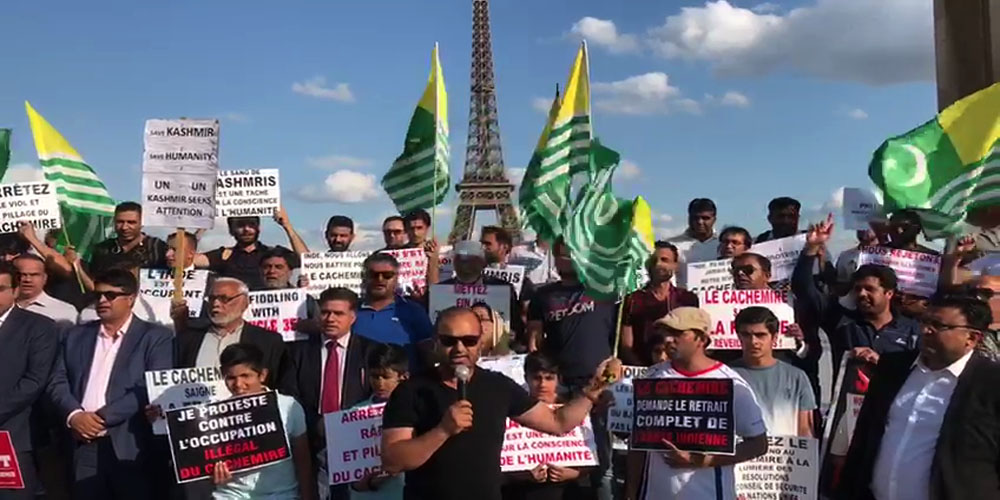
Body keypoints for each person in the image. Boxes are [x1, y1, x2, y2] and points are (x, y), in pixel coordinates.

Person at [380, 307, 621, 500]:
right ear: (435, 342)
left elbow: (557, 423)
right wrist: (442, 431)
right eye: (449, 341)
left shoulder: (497, 386)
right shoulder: (411, 391)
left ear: (481, 342)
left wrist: (594, 388)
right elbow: (392, 460)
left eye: (469, 340)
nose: (459, 348)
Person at [838, 295, 1000, 500]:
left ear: (972, 338)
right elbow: (863, 438)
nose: (925, 330)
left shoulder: (991, 384)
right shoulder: (893, 368)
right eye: (924, 322)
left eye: (938, 325)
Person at [46, 269, 173, 499]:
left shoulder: (155, 337)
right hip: (82, 443)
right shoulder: (75, 335)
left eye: (110, 295)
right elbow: (57, 380)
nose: (102, 300)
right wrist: (75, 415)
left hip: (130, 444)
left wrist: (101, 419)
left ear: (131, 298)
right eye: (98, 295)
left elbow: (150, 386)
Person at [625, 307, 768, 500]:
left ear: (701, 339)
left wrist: (701, 460)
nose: (668, 339)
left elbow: (758, 445)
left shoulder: (731, 384)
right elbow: (637, 443)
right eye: (666, 332)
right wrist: (631, 492)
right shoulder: (652, 377)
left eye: (678, 333)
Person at [526, 240, 617, 497]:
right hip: (558, 384)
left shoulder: (604, 290)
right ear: (554, 257)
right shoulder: (542, 295)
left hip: (597, 383)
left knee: (601, 460)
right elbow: (534, 338)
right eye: (562, 254)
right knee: (558, 454)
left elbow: (619, 335)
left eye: (572, 253)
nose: (567, 258)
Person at [286, 287, 378, 500]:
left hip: (356, 442)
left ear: (353, 317)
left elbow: (376, 396)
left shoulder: (371, 351)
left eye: (338, 313)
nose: (330, 318)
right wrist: (317, 423)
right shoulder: (298, 352)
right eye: (325, 312)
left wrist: (345, 425)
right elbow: (290, 396)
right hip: (310, 440)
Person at [211, 343, 317, 500]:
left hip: (281, 494)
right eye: (231, 378)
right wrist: (212, 475)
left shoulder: (288, 406)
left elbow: (303, 460)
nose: (238, 385)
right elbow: (206, 463)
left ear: (262, 375)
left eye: (246, 376)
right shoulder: (214, 414)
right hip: (230, 495)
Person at [174, 277, 295, 394]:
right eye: (212, 298)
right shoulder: (187, 340)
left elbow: (283, 385)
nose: (216, 303)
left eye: (224, 298)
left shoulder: (268, 341)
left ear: (245, 303)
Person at [0, 262, 58, 500]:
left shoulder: (39, 327)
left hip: (13, 435)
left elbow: (35, 380)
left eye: (0, 288)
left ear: (15, 291)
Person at [501, 352, 591, 500]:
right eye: (537, 378)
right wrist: (523, 474)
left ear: (558, 379)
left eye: (549, 378)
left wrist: (572, 473)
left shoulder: (573, 409)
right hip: (523, 492)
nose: (542, 384)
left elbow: (592, 455)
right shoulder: (513, 409)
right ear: (526, 378)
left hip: (566, 491)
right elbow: (500, 461)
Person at [730, 307, 816, 437]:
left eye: (760, 335)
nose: (754, 342)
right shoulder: (725, 375)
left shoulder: (797, 377)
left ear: (774, 337)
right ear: (738, 336)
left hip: (785, 455)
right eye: (746, 335)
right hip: (741, 455)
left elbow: (805, 430)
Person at [620, 241, 699, 366]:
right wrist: (643, 371)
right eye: (653, 260)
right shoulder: (633, 299)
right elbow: (626, 345)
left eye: (665, 260)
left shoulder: (687, 299)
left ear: (675, 265)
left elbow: (695, 340)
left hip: (679, 370)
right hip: (643, 369)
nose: (658, 264)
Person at [349, 345, 409, 500]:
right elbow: (347, 468)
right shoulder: (354, 413)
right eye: (375, 376)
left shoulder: (416, 412)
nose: (380, 383)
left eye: (386, 377)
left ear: (403, 376)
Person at [196, 208, 307, 290]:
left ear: (258, 227)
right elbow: (185, 259)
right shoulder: (224, 255)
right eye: (240, 225)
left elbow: (307, 260)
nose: (246, 229)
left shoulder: (271, 254)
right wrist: (203, 226)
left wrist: (287, 226)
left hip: (270, 311)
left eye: (251, 224)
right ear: (231, 229)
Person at [353, 253, 433, 364]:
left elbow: (428, 354)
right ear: (364, 277)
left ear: (396, 278)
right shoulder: (350, 311)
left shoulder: (414, 311)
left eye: (387, 275)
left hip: (406, 380)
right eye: (373, 274)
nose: (380, 279)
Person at [439, 240, 523, 340]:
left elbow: (516, 325)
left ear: (482, 262)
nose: (465, 263)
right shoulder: (440, 291)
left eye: (471, 259)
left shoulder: (503, 289)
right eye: (461, 259)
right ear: (454, 262)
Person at [87, 202, 169, 279]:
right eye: (120, 222)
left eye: (131, 222)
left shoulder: (157, 248)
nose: (124, 227)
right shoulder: (103, 249)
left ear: (142, 223)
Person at [13, 253, 77, 328]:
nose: (27, 280)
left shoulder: (65, 312)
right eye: (22, 275)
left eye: (34, 275)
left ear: (45, 278)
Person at [666, 198, 719, 287]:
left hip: (718, 299)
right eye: (695, 217)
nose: (700, 222)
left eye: (705, 218)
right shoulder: (671, 245)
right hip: (683, 299)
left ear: (714, 219)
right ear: (689, 218)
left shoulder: (724, 244)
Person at [481, 225, 536, 300]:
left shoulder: (521, 280)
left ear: (504, 247)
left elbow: (525, 308)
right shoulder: (471, 274)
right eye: (482, 244)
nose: (483, 247)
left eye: (488, 244)